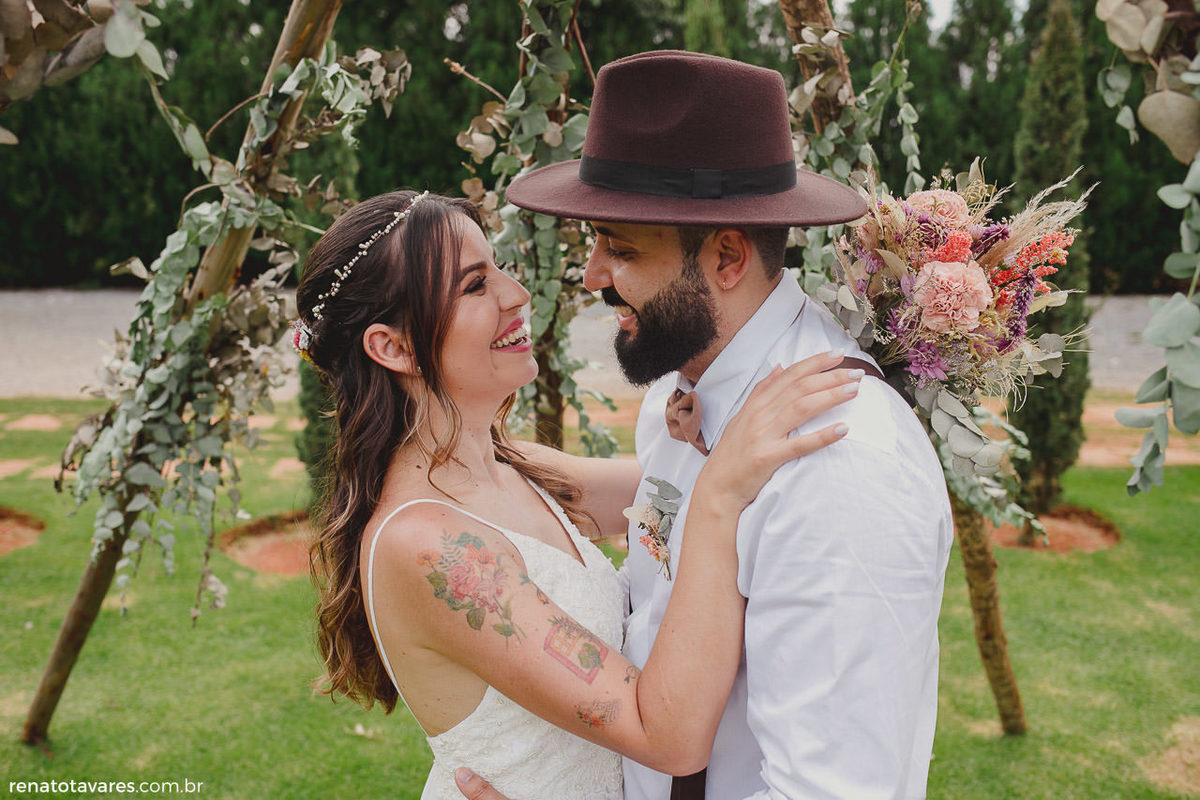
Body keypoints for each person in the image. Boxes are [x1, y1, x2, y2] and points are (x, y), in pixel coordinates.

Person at [460, 50, 955, 800]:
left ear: (727, 256)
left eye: (620, 248)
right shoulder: (683, 393)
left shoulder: (839, 463)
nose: (591, 276)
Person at [296, 188, 863, 799]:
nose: (517, 294)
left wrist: (705, 427)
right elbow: (666, 735)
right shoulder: (428, 546)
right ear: (394, 347)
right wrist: (720, 494)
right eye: (475, 286)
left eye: (498, 268)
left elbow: (666, 495)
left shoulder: (518, 470)